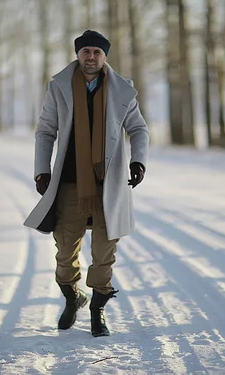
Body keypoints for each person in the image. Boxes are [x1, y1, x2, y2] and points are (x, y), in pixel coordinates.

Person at [23, 30, 149, 337]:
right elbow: (45, 131)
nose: (90, 57)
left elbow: (139, 129)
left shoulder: (123, 90)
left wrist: (138, 161)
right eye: (85, 52)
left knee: (105, 251)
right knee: (65, 249)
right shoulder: (59, 86)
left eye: (96, 52)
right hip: (69, 181)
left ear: (105, 56)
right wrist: (42, 170)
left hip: (110, 183)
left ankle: (98, 309)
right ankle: (72, 296)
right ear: (78, 54)